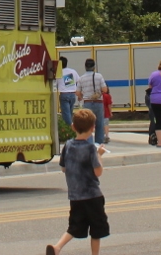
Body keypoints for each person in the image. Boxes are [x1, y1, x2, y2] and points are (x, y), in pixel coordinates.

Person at [47, 107, 109, 255]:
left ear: (73, 127)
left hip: (75, 196)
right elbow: (98, 172)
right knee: (96, 229)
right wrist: (99, 155)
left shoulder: (68, 145)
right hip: (92, 195)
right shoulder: (90, 148)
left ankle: (57, 247)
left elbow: (63, 168)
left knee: (75, 226)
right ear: (93, 128)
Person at [77, 59, 110, 146]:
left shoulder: (81, 78)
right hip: (98, 102)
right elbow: (105, 89)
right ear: (94, 67)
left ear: (85, 67)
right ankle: (99, 144)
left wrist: (82, 95)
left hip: (87, 103)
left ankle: (89, 144)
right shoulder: (99, 76)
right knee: (99, 124)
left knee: (88, 124)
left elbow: (77, 92)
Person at [58, 57, 80, 127]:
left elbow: (55, 84)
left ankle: (70, 127)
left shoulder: (58, 73)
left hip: (64, 95)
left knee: (66, 114)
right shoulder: (73, 71)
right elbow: (78, 81)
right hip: (73, 95)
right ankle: (71, 127)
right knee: (70, 113)